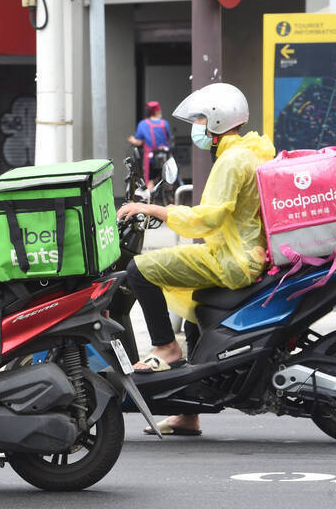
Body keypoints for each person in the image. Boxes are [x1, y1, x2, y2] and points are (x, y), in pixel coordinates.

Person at [117, 83, 275, 435]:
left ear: (219, 120)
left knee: (139, 269)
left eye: (202, 118)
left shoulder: (233, 160)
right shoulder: (251, 150)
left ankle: (165, 347)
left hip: (232, 259)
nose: (198, 125)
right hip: (241, 253)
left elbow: (207, 218)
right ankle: (187, 413)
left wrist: (152, 207)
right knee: (193, 311)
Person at [128, 101, 173, 194]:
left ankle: (149, 204)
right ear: (157, 111)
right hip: (165, 156)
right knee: (169, 179)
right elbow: (168, 138)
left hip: (151, 159)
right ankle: (172, 197)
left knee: (150, 181)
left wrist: (132, 140)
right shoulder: (165, 123)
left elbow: (139, 142)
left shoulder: (143, 124)